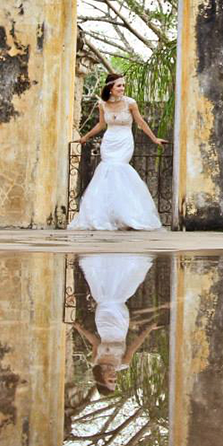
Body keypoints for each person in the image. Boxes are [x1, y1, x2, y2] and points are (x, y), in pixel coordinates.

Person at [68, 73, 167, 231]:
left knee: (119, 169)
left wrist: (154, 139)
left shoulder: (130, 103)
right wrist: (85, 137)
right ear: (110, 88)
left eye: (123, 85)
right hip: (109, 141)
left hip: (124, 141)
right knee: (106, 172)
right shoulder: (103, 104)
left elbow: (140, 122)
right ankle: (105, 215)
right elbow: (101, 125)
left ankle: (128, 215)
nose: (122, 88)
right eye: (119, 86)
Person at [72, 254, 161, 395]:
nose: (114, 379)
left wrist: (79, 328)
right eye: (115, 382)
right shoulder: (123, 363)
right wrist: (149, 329)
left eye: (110, 381)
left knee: (104, 297)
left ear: (101, 379)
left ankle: (104, 262)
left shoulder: (95, 360)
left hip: (103, 322)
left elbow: (95, 342)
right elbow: (135, 345)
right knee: (116, 297)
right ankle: (123, 263)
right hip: (120, 323)